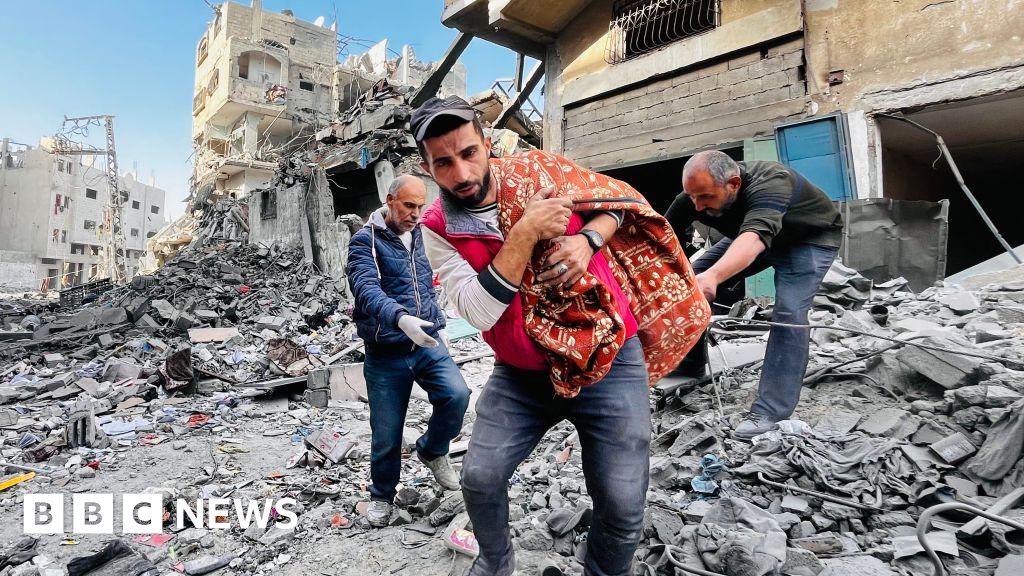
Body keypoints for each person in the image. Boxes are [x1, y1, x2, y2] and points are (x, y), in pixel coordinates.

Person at [412, 96, 708, 576]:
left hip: (608, 359)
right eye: (444, 163)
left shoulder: (541, 170)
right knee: (480, 477)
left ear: (487, 145)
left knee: (622, 499)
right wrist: (526, 231)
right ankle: (494, 564)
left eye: (468, 153)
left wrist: (587, 239)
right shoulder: (438, 229)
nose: (462, 173)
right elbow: (481, 311)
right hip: (523, 375)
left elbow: (621, 205)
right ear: (427, 167)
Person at [665, 150, 843, 440]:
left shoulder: (772, 182)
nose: (696, 207)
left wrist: (712, 277)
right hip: (750, 236)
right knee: (688, 286)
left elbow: (753, 239)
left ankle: (770, 412)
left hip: (807, 238)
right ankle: (692, 364)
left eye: (706, 198)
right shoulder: (694, 195)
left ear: (733, 184)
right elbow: (661, 238)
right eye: (692, 197)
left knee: (789, 313)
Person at [346, 174, 471, 527]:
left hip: (427, 341)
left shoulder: (422, 235)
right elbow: (366, 289)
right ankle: (383, 495)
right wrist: (401, 320)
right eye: (408, 205)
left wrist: (436, 321)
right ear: (390, 200)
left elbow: (430, 281)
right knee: (386, 432)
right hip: (386, 351)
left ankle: (432, 450)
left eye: (420, 206)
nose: (416, 213)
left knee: (457, 394)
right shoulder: (365, 241)